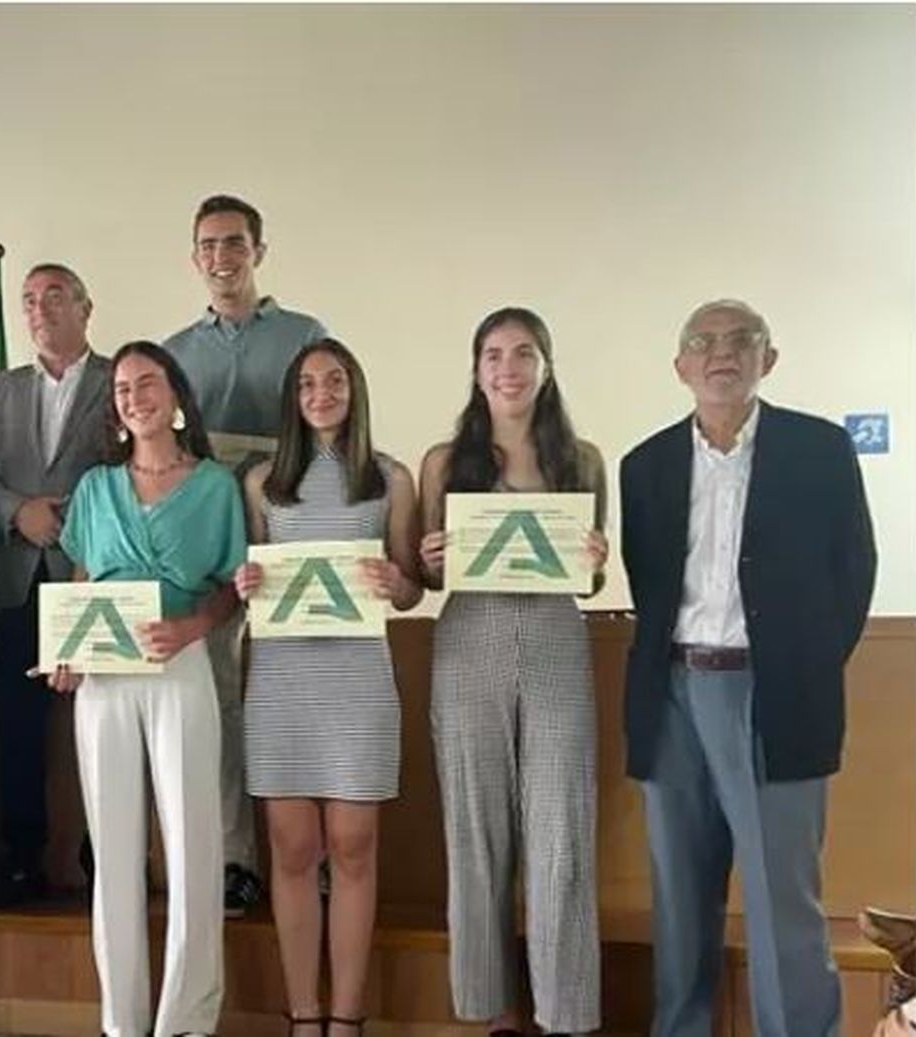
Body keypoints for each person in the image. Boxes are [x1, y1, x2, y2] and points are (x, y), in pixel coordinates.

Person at [620, 300, 875, 1037]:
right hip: (670, 692)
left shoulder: (819, 449)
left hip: (772, 694)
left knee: (780, 897)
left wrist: (803, 667)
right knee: (679, 897)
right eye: (702, 342)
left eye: (740, 341)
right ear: (681, 367)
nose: (720, 353)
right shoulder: (645, 464)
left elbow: (853, 569)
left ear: (769, 358)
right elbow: (650, 582)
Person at [418, 308, 609, 1037]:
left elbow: (591, 584)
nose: (508, 367)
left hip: (559, 640)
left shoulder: (580, 459)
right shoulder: (444, 460)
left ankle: (566, 1012)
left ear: (546, 366)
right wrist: (430, 560)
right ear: (476, 369)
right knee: (476, 827)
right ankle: (496, 1010)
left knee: (562, 829)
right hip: (470, 640)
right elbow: (423, 577)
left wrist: (595, 560)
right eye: (494, 354)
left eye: (524, 353)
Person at [52, 341, 246, 1037]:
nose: (135, 395)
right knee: (113, 848)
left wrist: (195, 625)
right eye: (123, 387)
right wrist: (66, 645)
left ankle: (187, 1019)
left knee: (194, 845)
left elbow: (232, 587)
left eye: (148, 382)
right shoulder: (95, 488)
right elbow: (80, 574)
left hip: (179, 665)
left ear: (176, 394)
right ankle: (121, 1021)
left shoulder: (216, 486)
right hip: (104, 675)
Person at [233, 339, 423, 1036]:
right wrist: (245, 582)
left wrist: (397, 582)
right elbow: (248, 579)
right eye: (307, 382)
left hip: (357, 678)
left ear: (355, 388)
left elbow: (409, 588)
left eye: (334, 379)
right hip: (283, 678)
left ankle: (347, 1016)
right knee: (290, 849)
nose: (321, 392)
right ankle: (302, 1016)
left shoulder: (390, 477)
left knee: (352, 842)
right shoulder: (259, 482)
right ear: (292, 396)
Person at [162, 194, 327, 914]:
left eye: (234, 243)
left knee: (306, 696)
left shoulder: (304, 333)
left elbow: (328, 426)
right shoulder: (175, 352)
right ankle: (236, 856)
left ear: (259, 251)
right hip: (213, 550)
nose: (221, 257)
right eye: (208, 245)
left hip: (293, 540)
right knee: (222, 701)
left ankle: (312, 857)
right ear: (195, 257)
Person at [0, 262, 112, 904]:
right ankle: (22, 855)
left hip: (92, 577)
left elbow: (133, 466)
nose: (40, 309)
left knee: (101, 723)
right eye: (28, 301)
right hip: (13, 581)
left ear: (85, 305)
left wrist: (72, 514)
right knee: (17, 727)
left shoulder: (118, 380)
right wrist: (17, 510)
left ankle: (106, 852)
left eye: (54, 296)